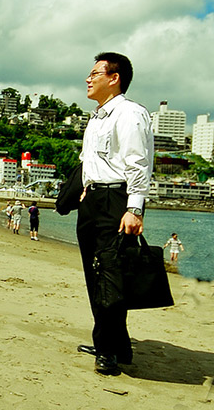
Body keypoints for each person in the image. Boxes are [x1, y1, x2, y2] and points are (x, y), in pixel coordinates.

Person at [75, 52, 154, 376]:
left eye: (95, 73)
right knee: (95, 275)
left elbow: (138, 163)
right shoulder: (96, 117)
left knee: (110, 275)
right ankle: (114, 344)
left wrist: (134, 207)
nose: (88, 79)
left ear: (114, 77)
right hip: (93, 199)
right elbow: (90, 160)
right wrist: (83, 190)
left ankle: (109, 351)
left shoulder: (130, 114)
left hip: (116, 200)